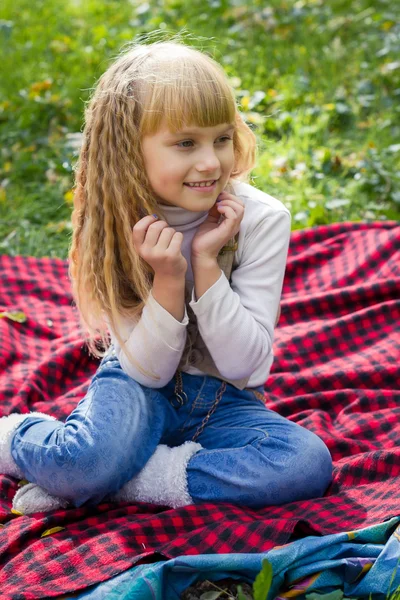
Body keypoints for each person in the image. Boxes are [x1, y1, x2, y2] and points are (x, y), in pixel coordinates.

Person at [0, 38, 332, 515]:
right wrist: (170, 278)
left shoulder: (261, 219)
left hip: (224, 397)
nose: (210, 162)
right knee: (89, 460)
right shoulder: (117, 217)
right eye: (185, 143)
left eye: (221, 138)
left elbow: (247, 368)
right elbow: (147, 370)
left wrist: (206, 263)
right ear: (130, 151)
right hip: (137, 383)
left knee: (304, 464)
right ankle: (17, 439)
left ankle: (123, 481)